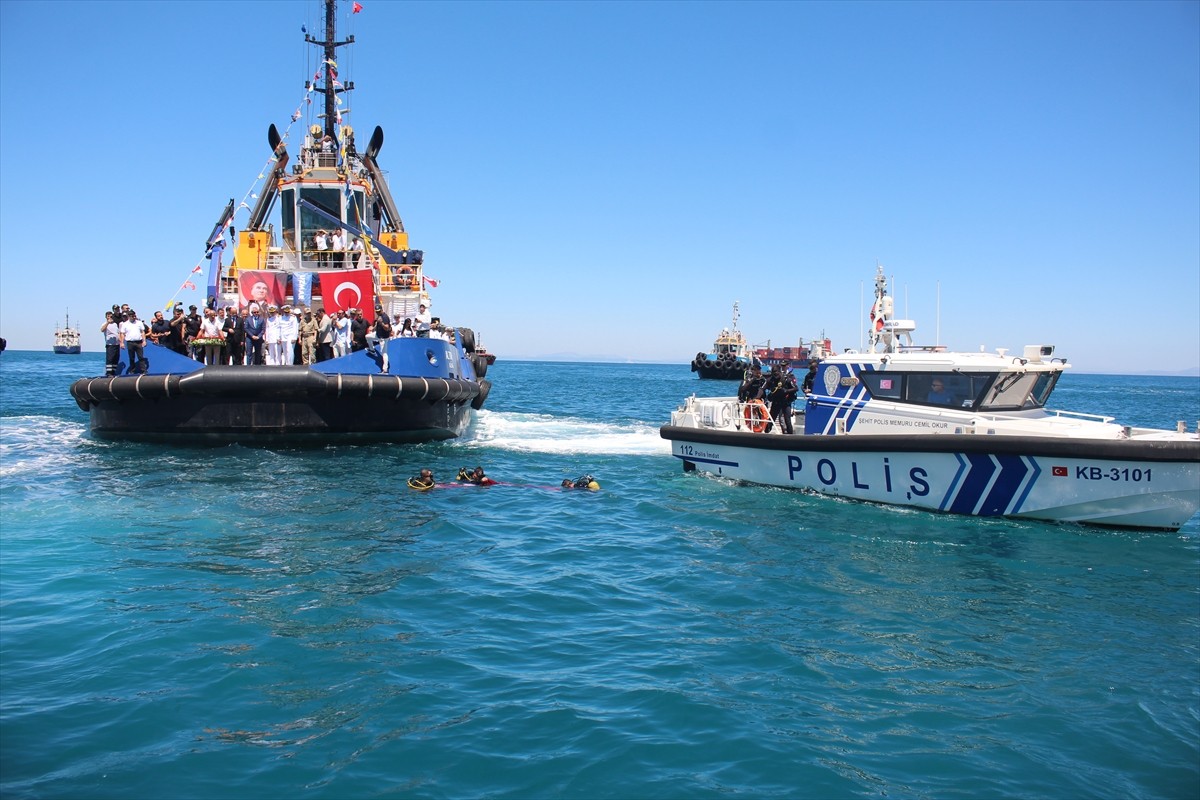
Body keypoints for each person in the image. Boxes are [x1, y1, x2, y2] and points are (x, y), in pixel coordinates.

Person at [765, 364, 798, 435]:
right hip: (776, 402)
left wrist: (786, 391)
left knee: (787, 420)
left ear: (780, 372)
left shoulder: (787, 379)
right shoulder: (771, 380)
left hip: (786, 402)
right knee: (771, 419)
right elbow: (762, 389)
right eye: (773, 372)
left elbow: (796, 388)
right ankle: (766, 433)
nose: (775, 374)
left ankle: (791, 436)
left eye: (776, 372)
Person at [118, 310, 148, 374]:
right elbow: (122, 334)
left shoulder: (139, 323)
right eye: (132, 316)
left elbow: (142, 332)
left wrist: (144, 341)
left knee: (141, 357)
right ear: (129, 316)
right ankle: (132, 370)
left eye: (134, 316)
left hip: (138, 342)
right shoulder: (125, 324)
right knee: (131, 357)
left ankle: (143, 370)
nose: (133, 317)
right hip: (130, 342)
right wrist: (122, 342)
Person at [101, 311, 121, 376]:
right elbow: (102, 330)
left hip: (117, 344)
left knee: (116, 358)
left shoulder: (115, 324)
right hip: (110, 345)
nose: (110, 317)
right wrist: (107, 323)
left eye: (111, 316)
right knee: (110, 358)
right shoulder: (105, 324)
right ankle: (109, 373)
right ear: (106, 317)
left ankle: (113, 372)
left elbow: (118, 333)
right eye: (108, 316)